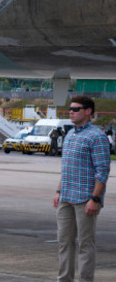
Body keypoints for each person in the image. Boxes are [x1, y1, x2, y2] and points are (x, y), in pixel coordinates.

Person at [53, 95, 110, 282]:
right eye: (70, 109)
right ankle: (64, 278)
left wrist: (95, 198)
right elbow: (67, 167)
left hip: (85, 198)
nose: (71, 112)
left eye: (75, 109)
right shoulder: (70, 134)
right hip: (66, 197)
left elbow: (102, 170)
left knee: (85, 244)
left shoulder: (97, 136)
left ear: (88, 112)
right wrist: (59, 191)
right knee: (64, 242)